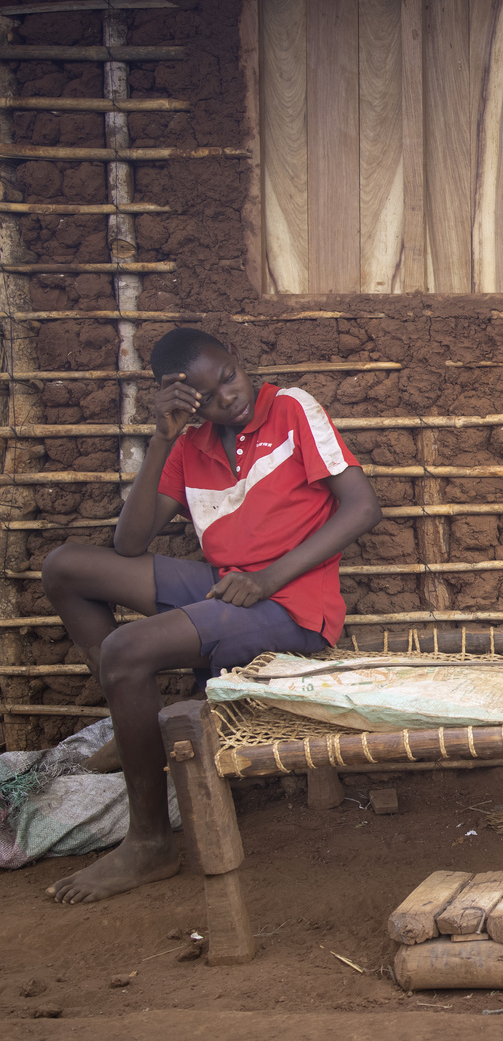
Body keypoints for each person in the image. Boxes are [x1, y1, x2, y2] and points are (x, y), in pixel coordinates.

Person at [40, 328, 382, 903]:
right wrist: (160, 441)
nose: (228, 396)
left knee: (127, 652)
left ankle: (149, 843)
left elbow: (363, 506)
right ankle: (137, 728)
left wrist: (268, 579)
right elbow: (129, 543)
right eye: (208, 393)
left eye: (229, 376)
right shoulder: (190, 443)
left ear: (240, 362)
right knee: (64, 568)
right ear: (186, 402)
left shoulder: (290, 408)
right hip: (228, 591)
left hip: (290, 607)